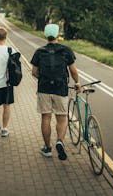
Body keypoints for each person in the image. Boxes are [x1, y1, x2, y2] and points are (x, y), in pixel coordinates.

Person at [31, 23, 81, 160]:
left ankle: (47, 148)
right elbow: (73, 71)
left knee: (46, 118)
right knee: (62, 117)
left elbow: (34, 72)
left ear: (46, 35)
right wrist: (77, 84)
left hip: (44, 89)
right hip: (60, 89)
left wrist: (44, 79)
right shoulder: (66, 50)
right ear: (58, 35)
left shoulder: (39, 51)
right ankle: (60, 141)